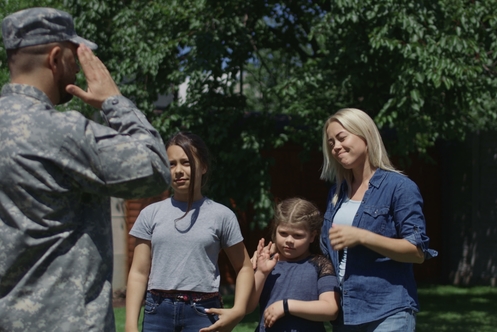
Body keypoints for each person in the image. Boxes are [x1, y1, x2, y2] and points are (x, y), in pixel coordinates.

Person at [0, 7, 171, 332]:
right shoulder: (60, 133)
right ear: (55, 58)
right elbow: (156, 167)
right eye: (74, 55)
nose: (78, 67)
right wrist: (114, 101)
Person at [320, 108, 438, 332]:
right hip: (346, 313)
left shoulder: (399, 188)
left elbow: (417, 251)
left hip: (387, 310)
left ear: (365, 136)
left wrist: (362, 236)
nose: (335, 146)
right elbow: (328, 254)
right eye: (331, 142)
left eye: (341, 138)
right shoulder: (337, 194)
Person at [125, 132, 254, 332]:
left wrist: (238, 310)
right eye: (171, 164)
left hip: (203, 313)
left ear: (203, 167)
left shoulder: (222, 215)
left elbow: (244, 267)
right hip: (156, 313)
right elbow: (138, 273)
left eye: (186, 163)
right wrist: (130, 325)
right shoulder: (150, 214)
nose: (178, 170)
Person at [248, 197, 340, 332]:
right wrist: (261, 272)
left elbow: (331, 309)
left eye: (298, 235)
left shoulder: (320, 265)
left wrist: (286, 306)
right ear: (275, 230)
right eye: (283, 233)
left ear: (312, 236)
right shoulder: (266, 263)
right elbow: (247, 307)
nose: (289, 240)